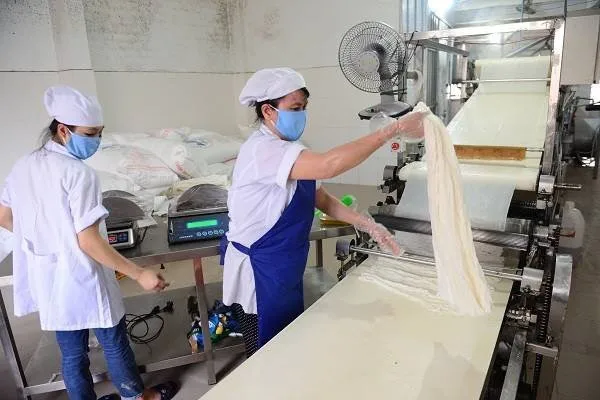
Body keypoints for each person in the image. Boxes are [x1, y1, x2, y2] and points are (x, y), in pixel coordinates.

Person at [221, 68, 425, 357]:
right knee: (264, 356)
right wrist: (393, 129)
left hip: (282, 266)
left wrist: (366, 223)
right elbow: (329, 165)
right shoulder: (261, 150)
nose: (301, 115)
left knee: (286, 345)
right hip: (260, 270)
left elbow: (321, 198)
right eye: (294, 109)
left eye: (304, 108)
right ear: (268, 111)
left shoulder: (292, 149)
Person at [0, 86, 178, 400]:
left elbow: (4, 216)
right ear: (63, 130)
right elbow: (88, 241)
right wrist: (139, 273)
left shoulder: (23, 165)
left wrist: (47, 239)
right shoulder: (78, 173)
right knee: (113, 342)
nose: (96, 140)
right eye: (90, 134)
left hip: (50, 278)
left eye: (99, 133)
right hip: (83, 275)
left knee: (72, 354)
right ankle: (137, 397)